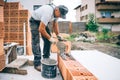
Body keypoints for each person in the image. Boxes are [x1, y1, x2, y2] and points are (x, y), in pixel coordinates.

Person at [29, 4, 68, 71]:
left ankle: (46, 58)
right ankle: (37, 63)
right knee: (36, 41)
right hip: (34, 20)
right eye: (60, 15)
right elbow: (41, 29)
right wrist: (50, 38)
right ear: (57, 10)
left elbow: (55, 25)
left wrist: (58, 35)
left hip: (42, 21)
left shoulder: (57, 13)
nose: (60, 17)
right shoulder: (48, 12)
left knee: (47, 41)